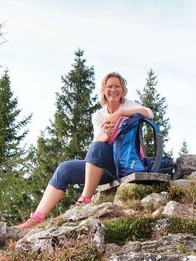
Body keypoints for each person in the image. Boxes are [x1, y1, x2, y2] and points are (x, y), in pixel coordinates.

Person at [15, 71, 152, 229]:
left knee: (98, 148)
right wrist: (107, 134)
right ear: (103, 90)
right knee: (65, 168)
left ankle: (85, 199)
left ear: (123, 90)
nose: (113, 90)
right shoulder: (99, 115)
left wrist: (120, 113)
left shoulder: (128, 105)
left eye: (117, 86)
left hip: (126, 164)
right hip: (106, 167)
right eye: (109, 86)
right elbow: (98, 140)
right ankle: (37, 218)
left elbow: (149, 113)